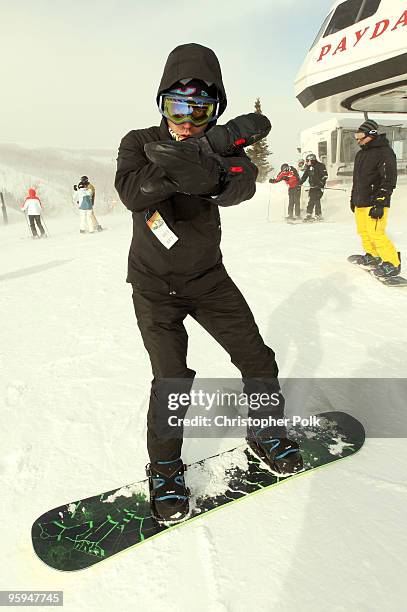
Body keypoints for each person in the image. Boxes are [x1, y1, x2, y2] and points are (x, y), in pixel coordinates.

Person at [115, 43, 303, 524]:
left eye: (200, 110)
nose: (187, 119)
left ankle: (264, 431)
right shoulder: (137, 141)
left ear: (214, 109)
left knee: (257, 357)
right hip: (154, 287)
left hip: (208, 280)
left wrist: (212, 164)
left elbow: (239, 187)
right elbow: (135, 194)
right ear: (162, 104)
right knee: (172, 381)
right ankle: (165, 468)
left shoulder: (230, 146)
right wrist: (197, 152)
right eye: (178, 106)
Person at [350, 119, 400, 277]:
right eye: (356, 135)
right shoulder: (361, 154)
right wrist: (353, 198)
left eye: (360, 136)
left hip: (375, 202)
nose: (357, 139)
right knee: (364, 231)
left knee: (376, 233)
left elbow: (389, 179)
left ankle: (392, 263)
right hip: (361, 201)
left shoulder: (384, 152)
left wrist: (380, 201)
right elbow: (357, 179)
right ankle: (373, 256)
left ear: (371, 134)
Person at [299, 153, 328, 221]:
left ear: (312, 160)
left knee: (316, 199)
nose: (306, 162)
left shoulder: (320, 166)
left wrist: (321, 183)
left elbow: (325, 176)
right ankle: (309, 213)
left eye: (308, 160)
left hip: (319, 186)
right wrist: (299, 183)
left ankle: (318, 214)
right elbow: (305, 176)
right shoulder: (309, 167)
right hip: (312, 186)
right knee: (311, 199)